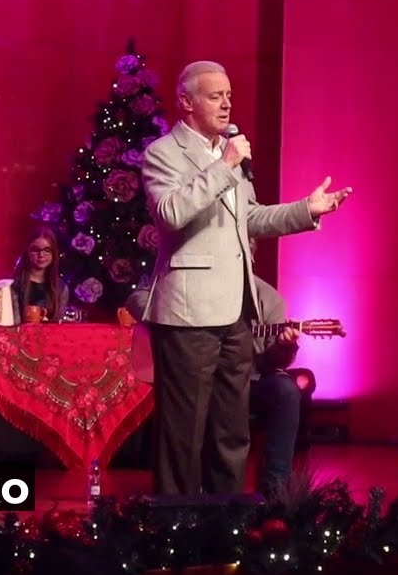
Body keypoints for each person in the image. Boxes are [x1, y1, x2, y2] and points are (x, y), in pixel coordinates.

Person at [140, 60, 350, 495]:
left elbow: (249, 218)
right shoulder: (164, 153)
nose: (226, 104)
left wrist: (306, 210)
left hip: (237, 309)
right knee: (183, 432)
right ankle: (177, 522)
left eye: (229, 96)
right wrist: (224, 166)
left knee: (231, 429)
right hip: (189, 312)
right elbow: (170, 213)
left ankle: (227, 516)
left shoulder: (228, 155)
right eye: (215, 96)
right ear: (186, 102)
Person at [125, 238, 308, 499]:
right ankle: (183, 497)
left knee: (286, 391)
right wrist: (170, 321)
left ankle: (275, 491)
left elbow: (273, 361)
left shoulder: (267, 297)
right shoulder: (190, 284)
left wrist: (284, 346)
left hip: (248, 379)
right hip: (194, 377)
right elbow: (137, 297)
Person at [11, 226, 70, 323]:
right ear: (27, 252)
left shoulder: (61, 288)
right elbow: (13, 322)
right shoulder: (15, 285)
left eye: (47, 250)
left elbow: (58, 323)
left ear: (53, 253)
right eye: (35, 249)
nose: (41, 255)